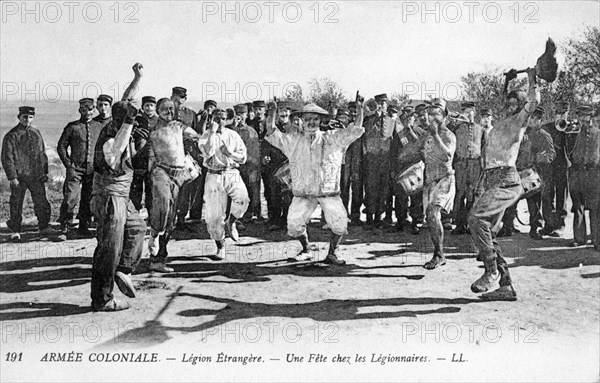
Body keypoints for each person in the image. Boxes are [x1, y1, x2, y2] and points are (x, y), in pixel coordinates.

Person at [468, 67, 540, 301]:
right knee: (489, 231)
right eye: (507, 104)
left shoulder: (520, 120)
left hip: (507, 180)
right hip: (491, 179)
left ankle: (491, 272)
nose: (509, 107)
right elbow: (505, 99)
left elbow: (534, 100)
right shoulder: (503, 122)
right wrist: (508, 82)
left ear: (521, 107)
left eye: (514, 104)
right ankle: (506, 286)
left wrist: (532, 78)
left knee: (476, 218)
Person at [265, 101, 365, 265]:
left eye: (315, 119)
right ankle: (306, 250)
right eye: (308, 119)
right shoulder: (294, 140)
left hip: (328, 192)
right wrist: (273, 113)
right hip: (303, 194)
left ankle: (332, 254)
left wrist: (360, 110)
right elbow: (272, 133)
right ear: (302, 121)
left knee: (339, 223)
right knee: (294, 224)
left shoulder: (333, 138)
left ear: (320, 121)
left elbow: (354, 131)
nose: (311, 122)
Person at [90, 63, 145, 312]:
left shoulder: (118, 118)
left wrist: (137, 78)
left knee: (136, 228)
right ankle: (102, 300)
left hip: (122, 196)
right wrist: (129, 126)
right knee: (109, 249)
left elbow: (125, 101)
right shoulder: (113, 138)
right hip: (109, 197)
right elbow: (114, 158)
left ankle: (124, 270)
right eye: (131, 120)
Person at [147, 98, 201, 272]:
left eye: (171, 109)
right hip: (161, 171)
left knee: (171, 218)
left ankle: (159, 259)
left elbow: (196, 136)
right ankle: (154, 233)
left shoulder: (179, 126)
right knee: (162, 204)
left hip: (179, 174)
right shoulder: (152, 127)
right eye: (165, 109)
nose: (169, 112)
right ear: (157, 110)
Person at [199, 110, 250, 260]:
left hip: (231, 172)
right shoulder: (206, 135)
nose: (220, 121)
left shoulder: (233, 135)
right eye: (216, 118)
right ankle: (220, 247)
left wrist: (229, 153)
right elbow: (207, 151)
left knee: (243, 199)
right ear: (211, 119)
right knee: (214, 216)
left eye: (223, 119)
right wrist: (213, 133)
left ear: (227, 120)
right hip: (214, 175)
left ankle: (232, 221)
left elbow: (243, 158)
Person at [2, 106, 54, 242]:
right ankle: (15, 230)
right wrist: (12, 176)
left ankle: (43, 227)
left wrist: (44, 172)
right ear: (19, 117)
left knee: (41, 201)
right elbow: (7, 158)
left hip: (36, 175)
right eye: (25, 117)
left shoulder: (36, 133)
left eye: (30, 117)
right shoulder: (11, 135)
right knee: (16, 203)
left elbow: (42, 154)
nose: (28, 120)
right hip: (20, 176)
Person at [503, 106, 556, 239]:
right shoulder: (521, 132)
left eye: (534, 118)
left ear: (540, 120)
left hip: (533, 173)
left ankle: (535, 229)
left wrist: (540, 158)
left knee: (534, 203)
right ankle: (507, 227)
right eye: (530, 117)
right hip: (517, 171)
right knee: (511, 201)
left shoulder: (544, 135)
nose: (531, 120)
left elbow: (552, 153)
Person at [57, 98, 103, 238]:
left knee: (88, 199)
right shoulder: (72, 127)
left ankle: (84, 227)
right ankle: (64, 227)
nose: (87, 112)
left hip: (92, 170)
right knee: (70, 198)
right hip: (75, 169)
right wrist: (68, 164)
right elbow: (61, 147)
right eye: (84, 109)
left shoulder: (99, 126)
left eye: (90, 109)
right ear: (79, 110)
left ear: (94, 110)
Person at [419, 99, 457, 270]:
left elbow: (447, 157)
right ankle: (439, 252)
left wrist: (435, 135)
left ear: (444, 116)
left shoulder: (448, 135)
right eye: (431, 113)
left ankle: (439, 255)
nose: (433, 116)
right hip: (429, 181)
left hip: (444, 179)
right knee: (431, 218)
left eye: (437, 113)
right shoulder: (426, 136)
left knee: (433, 213)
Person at [389, 104, 426, 233]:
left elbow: (424, 150)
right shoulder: (399, 134)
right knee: (400, 196)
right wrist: (393, 169)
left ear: (414, 118)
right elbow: (393, 153)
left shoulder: (421, 132)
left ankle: (416, 221)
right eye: (405, 117)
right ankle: (400, 220)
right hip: (401, 168)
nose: (408, 120)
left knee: (416, 196)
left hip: (415, 168)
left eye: (410, 117)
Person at [262, 101, 298, 231]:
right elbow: (266, 143)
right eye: (280, 110)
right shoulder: (273, 128)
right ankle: (275, 219)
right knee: (274, 194)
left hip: (290, 166)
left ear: (289, 113)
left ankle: (288, 219)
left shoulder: (295, 129)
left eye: (285, 110)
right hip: (274, 165)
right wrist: (265, 156)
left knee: (289, 195)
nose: (283, 113)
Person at [451, 101, 485, 235]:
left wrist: (483, 166)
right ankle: (459, 224)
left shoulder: (480, 129)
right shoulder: (456, 128)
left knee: (473, 194)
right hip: (461, 164)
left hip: (475, 164)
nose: (469, 114)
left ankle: (471, 224)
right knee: (460, 193)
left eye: (471, 111)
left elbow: (484, 148)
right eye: (466, 111)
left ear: (474, 113)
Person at [569, 105, 599, 250]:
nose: (582, 119)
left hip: (593, 175)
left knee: (595, 209)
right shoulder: (575, 132)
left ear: (591, 117)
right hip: (578, 174)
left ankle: (596, 239)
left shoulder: (598, 133)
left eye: (585, 116)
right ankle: (579, 238)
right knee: (578, 206)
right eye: (580, 115)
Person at [363, 93, 395, 230]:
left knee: (383, 190)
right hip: (371, 158)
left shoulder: (391, 121)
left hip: (385, 159)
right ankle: (369, 217)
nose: (381, 105)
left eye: (384, 103)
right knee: (370, 188)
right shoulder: (368, 119)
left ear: (387, 105)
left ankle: (379, 217)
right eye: (379, 103)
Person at [540, 100, 570, 235]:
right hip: (549, 166)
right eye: (558, 113)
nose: (560, 116)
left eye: (563, 113)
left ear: (567, 113)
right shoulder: (547, 127)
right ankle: (548, 224)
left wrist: (569, 131)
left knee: (561, 195)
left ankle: (560, 224)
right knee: (547, 196)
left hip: (563, 166)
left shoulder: (571, 128)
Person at [229, 104, 261, 223]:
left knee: (250, 191)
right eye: (238, 113)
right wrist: (234, 126)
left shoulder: (251, 131)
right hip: (233, 166)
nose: (240, 116)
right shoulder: (230, 129)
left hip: (248, 166)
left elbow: (254, 151)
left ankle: (247, 215)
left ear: (247, 115)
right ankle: (235, 217)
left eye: (242, 114)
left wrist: (253, 166)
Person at [130, 96, 158, 211]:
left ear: (155, 107)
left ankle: (151, 215)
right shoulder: (137, 120)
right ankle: (135, 213)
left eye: (151, 105)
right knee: (136, 189)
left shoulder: (158, 120)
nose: (149, 108)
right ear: (142, 107)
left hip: (153, 160)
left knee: (151, 189)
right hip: (138, 159)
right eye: (146, 105)